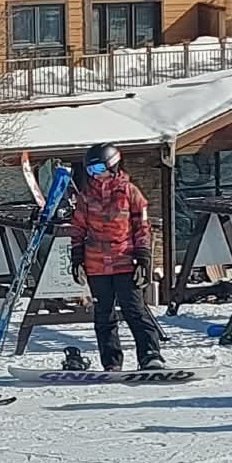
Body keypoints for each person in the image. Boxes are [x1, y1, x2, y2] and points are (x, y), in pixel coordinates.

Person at [69, 143, 166, 372]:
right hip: (96, 264)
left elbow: (142, 227)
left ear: (113, 165)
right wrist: (76, 259)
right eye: (91, 171)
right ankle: (111, 362)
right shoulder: (86, 197)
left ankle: (150, 355)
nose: (96, 175)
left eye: (100, 169)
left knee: (134, 309)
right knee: (104, 315)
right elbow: (78, 229)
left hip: (125, 260)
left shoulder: (129, 192)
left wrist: (143, 258)